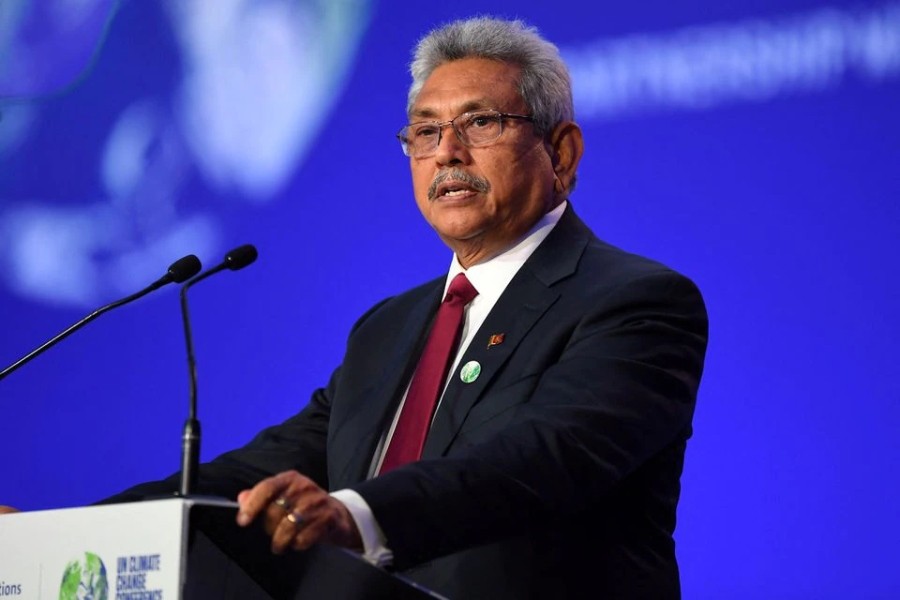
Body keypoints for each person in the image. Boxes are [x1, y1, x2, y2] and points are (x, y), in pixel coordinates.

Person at [6, 17, 708, 599]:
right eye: (425, 133)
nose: (447, 153)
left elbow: (537, 460)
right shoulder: (390, 326)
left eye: (481, 122)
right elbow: (257, 473)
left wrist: (355, 514)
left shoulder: (635, 302)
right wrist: (57, 536)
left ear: (562, 150)